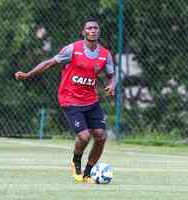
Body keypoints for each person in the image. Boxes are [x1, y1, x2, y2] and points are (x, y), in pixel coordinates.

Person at [15, 18, 115, 183]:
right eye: (89, 28)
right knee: (84, 137)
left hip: (91, 100)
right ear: (84, 32)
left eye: (96, 28)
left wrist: (112, 85)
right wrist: (28, 75)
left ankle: (88, 172)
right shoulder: (72, 49)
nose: (93, 30)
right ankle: (76, 161)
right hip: (70, 98)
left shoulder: (105, 54)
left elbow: (112, 75)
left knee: (101, 135)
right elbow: (49, 63)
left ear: (99, 31)